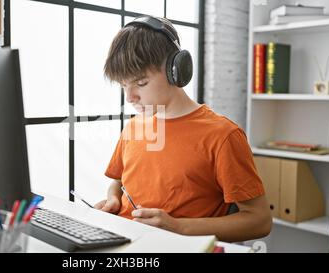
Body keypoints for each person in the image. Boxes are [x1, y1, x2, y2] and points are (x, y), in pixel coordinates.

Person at [94, 16, 272, 242]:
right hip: (126, 244)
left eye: (140, 83)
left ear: (175, 70)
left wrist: (177, 226)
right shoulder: (135, 126)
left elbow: (259, 220)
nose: (130, 97)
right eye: (123, 85)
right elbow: (118, 182)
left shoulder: (222, 136)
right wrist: (113, 200)